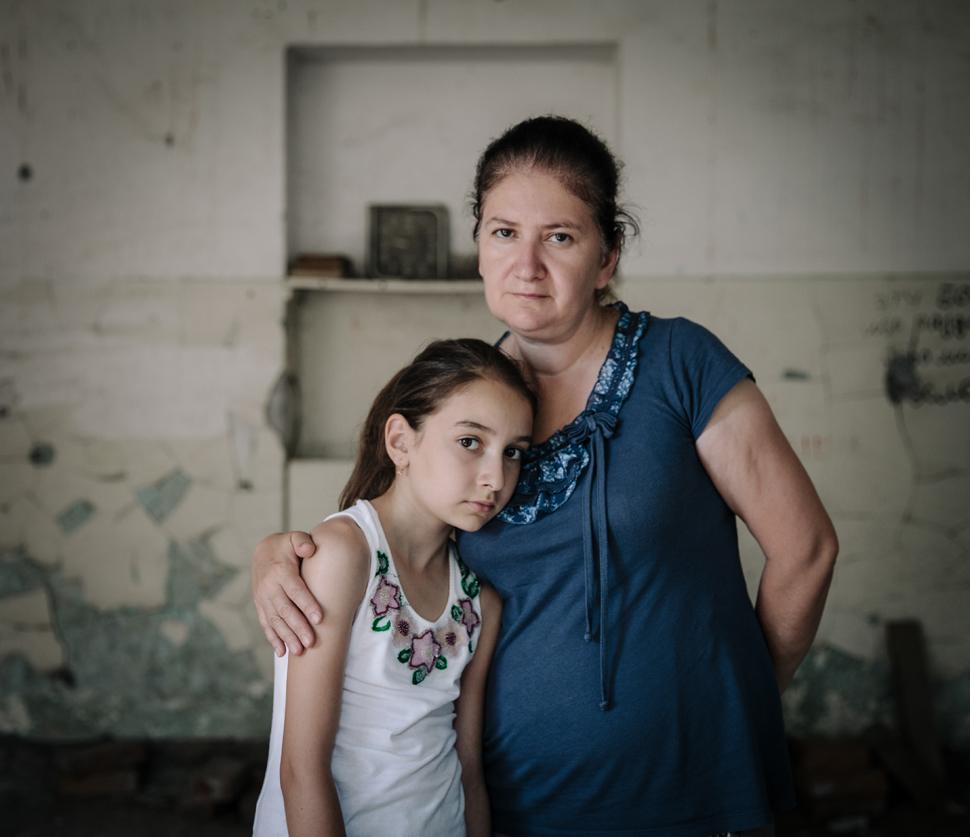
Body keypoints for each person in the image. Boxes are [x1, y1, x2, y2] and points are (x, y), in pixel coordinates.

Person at [251, 116, 838, 836]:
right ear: (478, 247)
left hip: (690, 788)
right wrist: (282, 553)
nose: (526, 264)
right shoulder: (468, 394)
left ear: (607, 256)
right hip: (507, 797)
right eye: (503, 233)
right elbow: (388, 536)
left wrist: (740, 701)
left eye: (559, 236)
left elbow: (805, 548)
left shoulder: (681, 362)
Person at [252, 338, 536, 837]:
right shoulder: (345, 554)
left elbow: (467, 767)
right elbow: (301, 769)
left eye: (513, 452)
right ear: (401, 441)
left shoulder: (479, 603)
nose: (496, 477)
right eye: (470, 442)